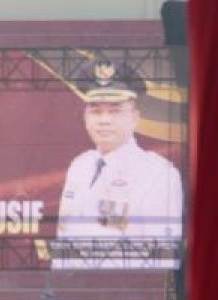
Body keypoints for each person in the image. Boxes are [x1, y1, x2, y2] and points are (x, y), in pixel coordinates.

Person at [53, 60, 183, 269]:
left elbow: (162, 259)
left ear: (135, 118)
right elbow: (63, 242)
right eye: (95, 111)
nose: (104, 120)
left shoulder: (159, 174)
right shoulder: (80, 166)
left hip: (127, 294)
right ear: (85, 118)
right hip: (73, 295)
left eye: (115, 111)